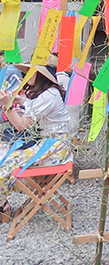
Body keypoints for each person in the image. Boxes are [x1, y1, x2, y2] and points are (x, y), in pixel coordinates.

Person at [0, 63, 72, 219]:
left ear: (42, 76)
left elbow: (22, 126)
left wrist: (8, 106)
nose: (27, 76)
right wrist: (22, 102)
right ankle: (3, 200)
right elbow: (32, 112)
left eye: (31, 73)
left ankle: (2, 204)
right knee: (3, 151)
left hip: (55, 148)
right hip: (50, 143)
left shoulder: (49, 95)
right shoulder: (48, 94)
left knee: (6, 160)